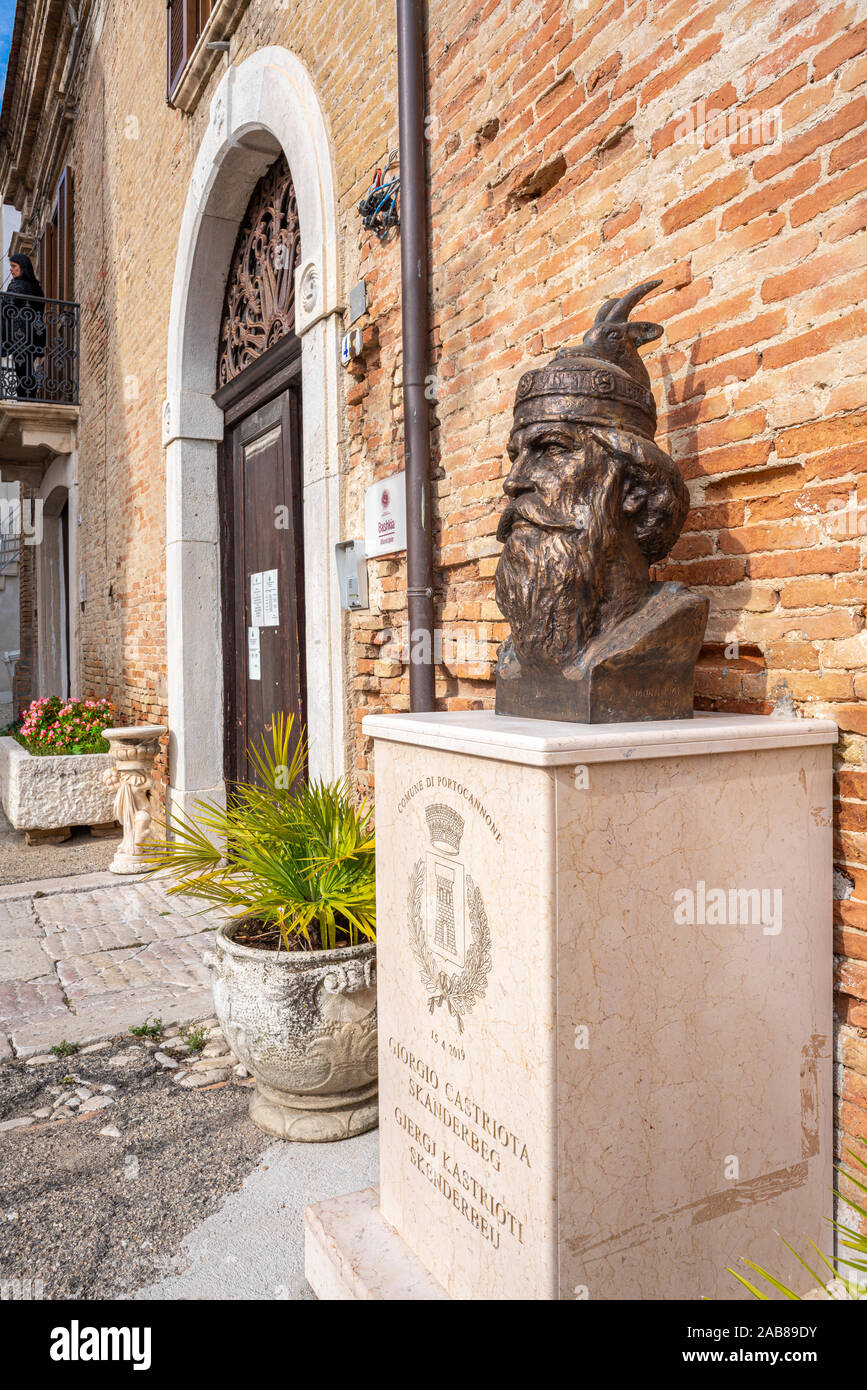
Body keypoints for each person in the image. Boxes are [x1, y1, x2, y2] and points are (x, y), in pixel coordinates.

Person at [1, 254, 46, 400]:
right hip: (34, 335)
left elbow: (6, 304)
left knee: (22, 370)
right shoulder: (36, 287)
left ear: (23, 267)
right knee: (26, 368)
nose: (11, 269)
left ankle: (26, 398)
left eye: (14, 266)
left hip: (19, 335)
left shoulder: (18, 285)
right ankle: (28, 397)